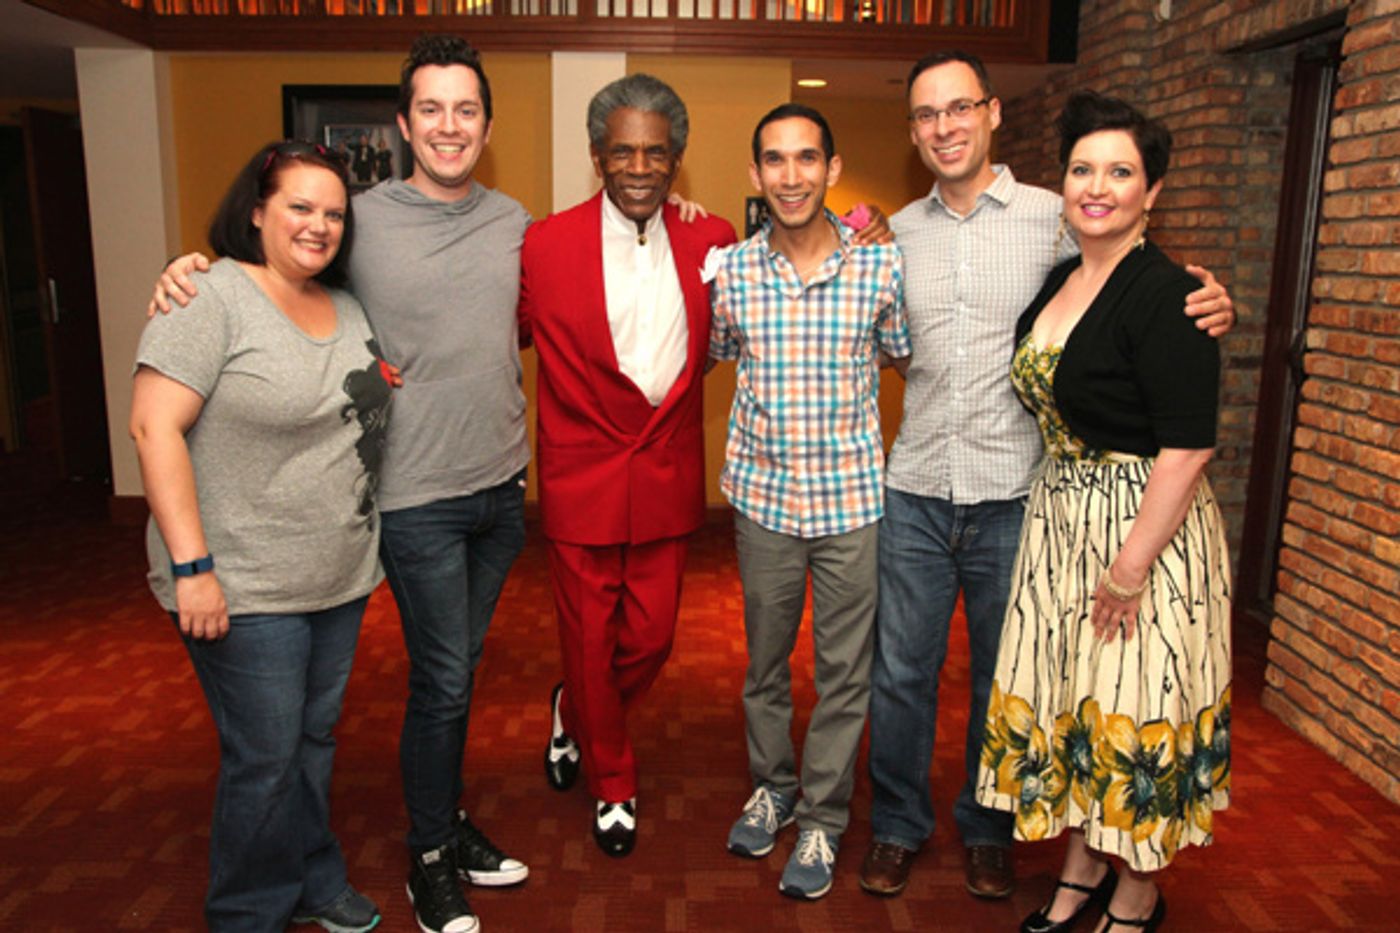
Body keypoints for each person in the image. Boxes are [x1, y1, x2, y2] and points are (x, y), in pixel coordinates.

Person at [149, 35, 531, 933]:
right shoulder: (357, 221)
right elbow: (271, 268)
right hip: (409, 500)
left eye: (465, 109)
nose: (448, 125)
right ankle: (429, 854)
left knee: (457, 674)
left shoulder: (515, 220)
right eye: (430, 109)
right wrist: (189, 265)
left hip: (501, 492)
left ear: (486, 123)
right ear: (404, 124)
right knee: (439, 680)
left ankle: (438, 820)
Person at [860, 50, 1236, 902]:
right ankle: (897, 825)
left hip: (1016, 494)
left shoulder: (1054, 215)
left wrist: (1212, 297)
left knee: (1015, 678)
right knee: (902, 673)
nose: (944, 127)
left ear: (993, 113)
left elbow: (1141, 276)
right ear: (912, 130)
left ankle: (992, 830)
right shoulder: (895, 233)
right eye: (925, 114)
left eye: (960, 108)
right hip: (919, 482)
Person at [975, 90, 1231, 933]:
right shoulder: (1063, 276)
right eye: (1083, 168)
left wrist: (1128, 568)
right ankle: (1083, 866)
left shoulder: (1170, 293)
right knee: (1075, 702)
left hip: (1141, 534)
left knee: (1133, 709)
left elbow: (1189, 447)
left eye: (1120, 171)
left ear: (1151, 191)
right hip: (1061, 523)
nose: (1098, 186)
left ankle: (1138, 891)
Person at [130, 140, 392, 933]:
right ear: (255, 211)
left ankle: (313, 878)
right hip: (242, 582)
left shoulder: (345, 305)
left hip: (337, 575)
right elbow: (152, 427)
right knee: (266, 759)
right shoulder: (207, 296)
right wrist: (193, 568)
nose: (319, 226)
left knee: (311, 743)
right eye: (300, 208)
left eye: (334, 213)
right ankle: (248, 914)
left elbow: (344, 392)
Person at [517, 73, 736, 859]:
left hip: (668, 475)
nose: (639, 167)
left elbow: (769, 297)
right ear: (595, 157)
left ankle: (574, 710)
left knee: (651, 638)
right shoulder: (543, 242)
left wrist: (866, 229)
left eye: (655, 152)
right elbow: (479, 322)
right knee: (586, 636)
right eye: (622, 152)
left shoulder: (711, 240)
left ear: (676, 159)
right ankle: (613, 779)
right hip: (580, 479)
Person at [711, 104, 910, 901]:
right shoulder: (730, 271)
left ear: (831, 168)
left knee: (843, 673)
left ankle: (823, 819)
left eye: (806, 159)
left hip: (852, 503)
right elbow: (720, 352)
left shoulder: (879, 269)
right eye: (774, 161)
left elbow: (901, 353)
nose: (790, 176)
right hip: (762, 501)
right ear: (755, 174)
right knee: (762, 665)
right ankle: (773, 785)